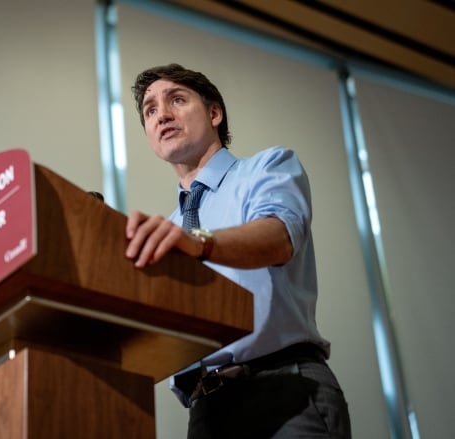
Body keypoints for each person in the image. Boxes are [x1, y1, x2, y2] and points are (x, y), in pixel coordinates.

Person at [124, 63, 351, 438]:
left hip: (282, 389)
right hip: (205, 410)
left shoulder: (267, 168)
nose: (161, 114)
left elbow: (278, 237)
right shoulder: (167, 228)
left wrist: (197, 243)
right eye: (150, 110)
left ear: (214, 113)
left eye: (176, 100)